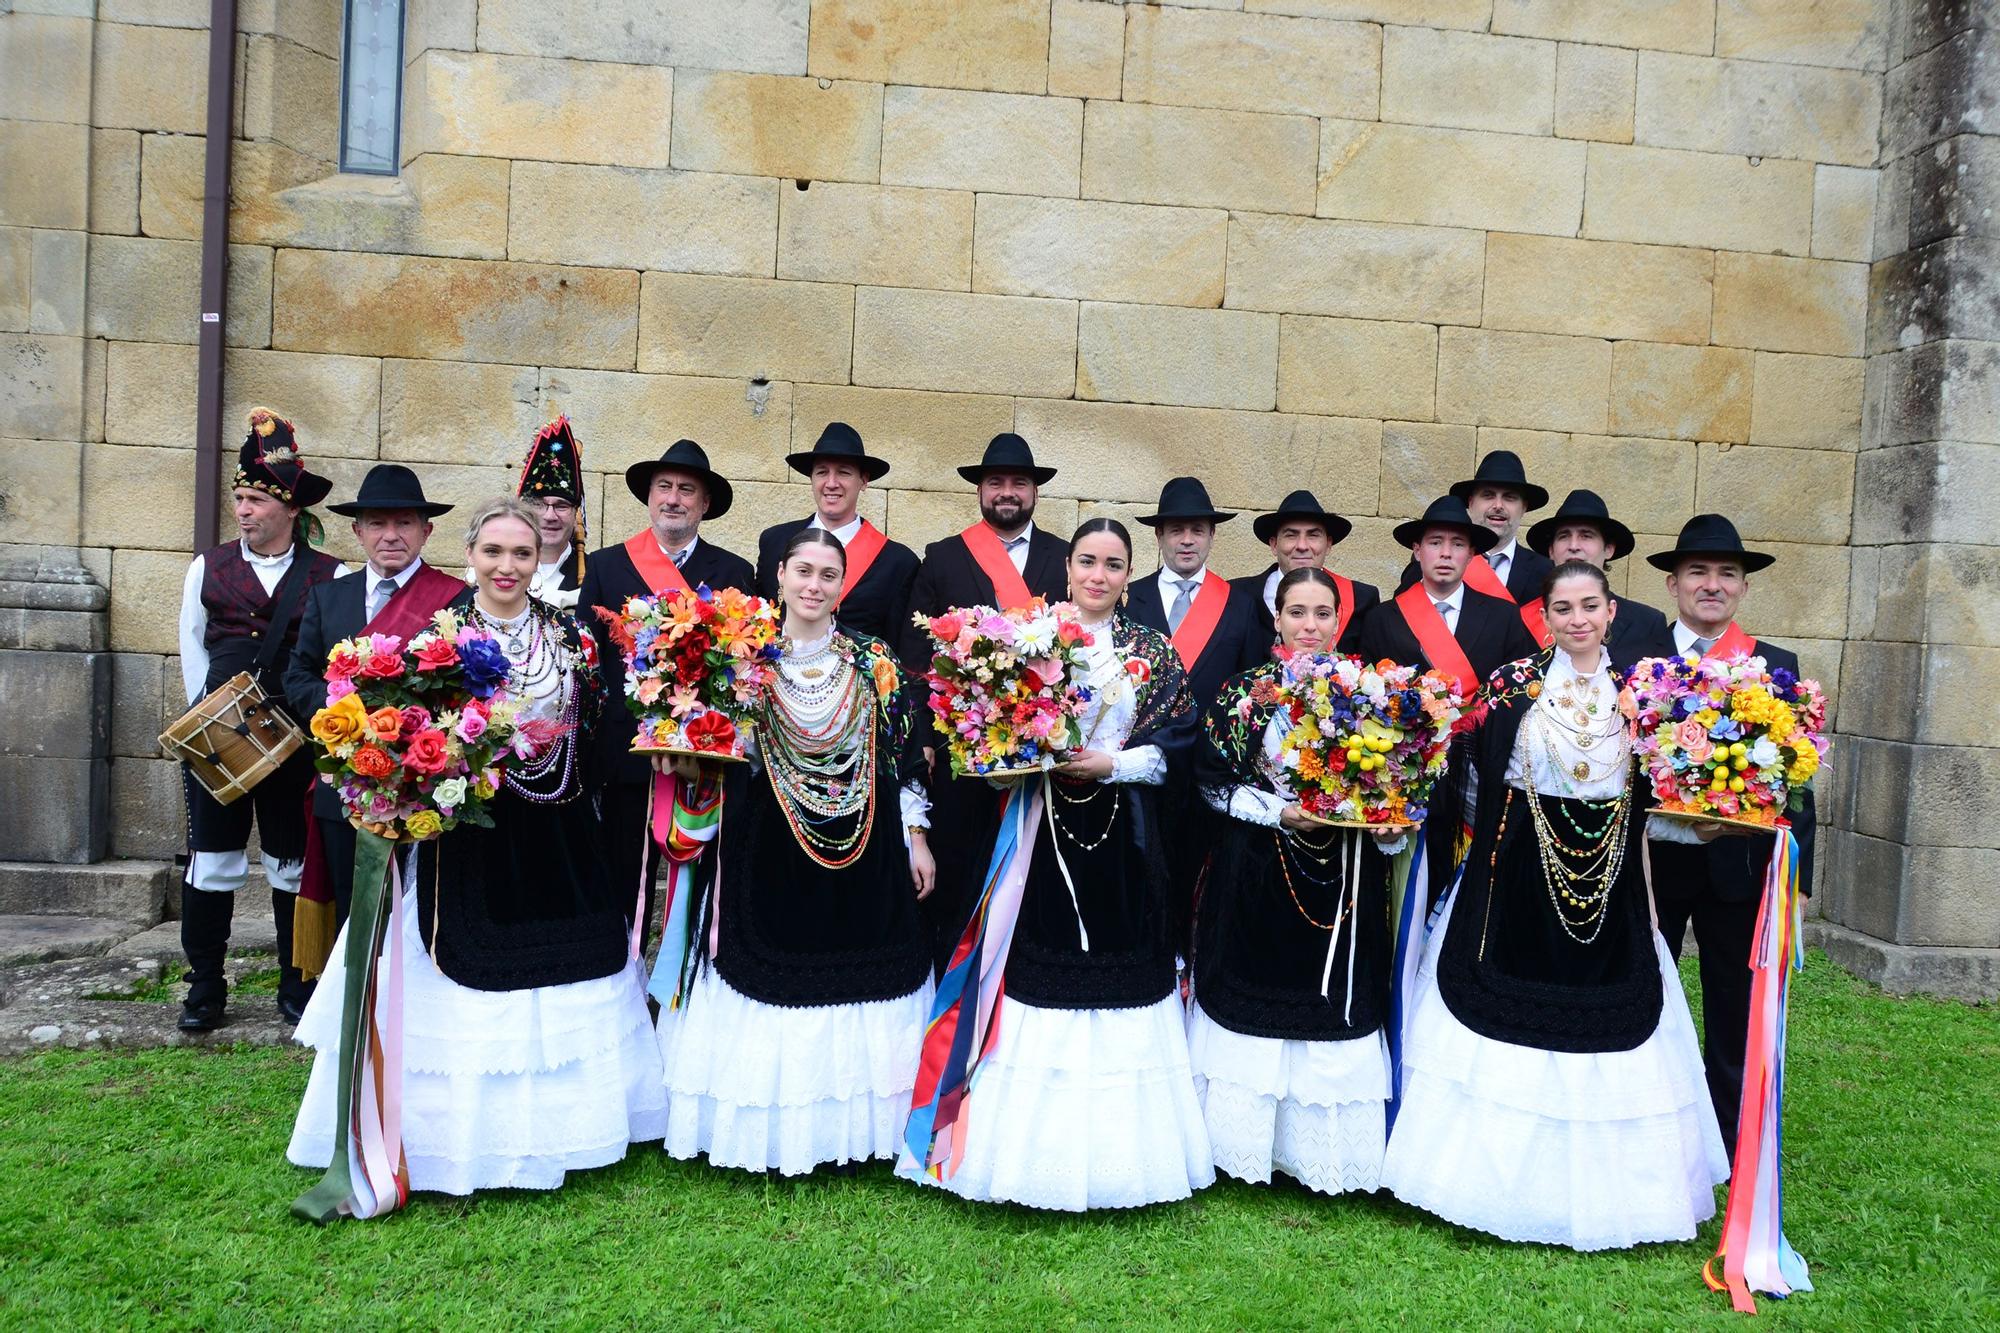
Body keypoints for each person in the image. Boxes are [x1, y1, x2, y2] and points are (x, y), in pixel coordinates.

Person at [288, 497, 666, 1198]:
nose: (507, 565)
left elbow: (596, 724)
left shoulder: (573, 633)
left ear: (539, 558)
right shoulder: (439, 636)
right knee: (466, 965)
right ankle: (457, 1138)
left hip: (560, 828)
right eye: (493, 551)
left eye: (521, 553)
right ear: (471, 554)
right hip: (471, 836)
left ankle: (565, 1130)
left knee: (571, 960)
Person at [1381, 561, 1730, 1250]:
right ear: (1545, 617)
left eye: (1589, 606)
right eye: (1562, 607)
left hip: (1610, 881)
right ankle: (1479, 1181)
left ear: (1610, 613)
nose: (1576, 618)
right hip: (1513, 876)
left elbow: (1653, 800)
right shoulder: (1513, 685)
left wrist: (1703, 823)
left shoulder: (1645, 694)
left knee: (1615, 1017)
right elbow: (1478, 778)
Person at [900, 518, 1213, 1210]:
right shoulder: (1025, 638)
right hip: (1036, 832)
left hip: (1123, 834)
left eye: (1113, 564)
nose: (1098, 575)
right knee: (1034, 966)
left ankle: (1125, 1155)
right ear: (1066, 568)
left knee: (1121, 966)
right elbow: (979, 733)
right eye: (1087, 562)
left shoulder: (1150, 652)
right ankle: (1017, 1146)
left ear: (1128, 576)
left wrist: (1114, 762)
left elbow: (1177, 740)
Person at [655, 528, 935, 1177]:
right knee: (765, 964)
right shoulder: (742, 652)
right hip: (767, 841)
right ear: (779, 575)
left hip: (863, 845)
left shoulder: (873, 658)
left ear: (842, 585)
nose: (814, 584)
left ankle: (866, 1124)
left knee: (867, 960)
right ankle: (771, 1123)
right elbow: (709, 738)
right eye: (802, 570)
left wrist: (915, 835)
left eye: (827, 573)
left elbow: (896, 752)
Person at [1189, 568, 1399, 1196]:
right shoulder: (1245, 694)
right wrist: (1277, 811)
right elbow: (1210, 780)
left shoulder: (1372, 692)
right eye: (1297, 612)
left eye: (1322, 613)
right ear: (1276, 620)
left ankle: (1319, 1153)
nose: (1310, 626)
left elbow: (1396, 788)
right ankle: (1241, 1143)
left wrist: (1386, 825)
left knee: (1333, 995)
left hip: (1346, 877)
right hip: (1258, 870)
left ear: (1340, 621)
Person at [1643, 514, 1816, 1149]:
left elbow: (1798, 776)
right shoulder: (1640, 655)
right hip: (1651, 862)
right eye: (1698, 573)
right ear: (1672, 583)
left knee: (1734, 1002)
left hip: (1738, 869)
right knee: (1645, 989)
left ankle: (1729, 1135)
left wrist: (1800, 875)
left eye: (1727, 574)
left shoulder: (1776, 665)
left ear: (1743, 587)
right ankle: (1649, 1122)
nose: (1711, 585)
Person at [174, 409, 344, 1031]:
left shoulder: (331, 576)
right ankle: (204, 987)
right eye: (239, 499)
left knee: (291, 865)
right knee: (212, 862)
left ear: (290, 510)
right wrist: (211, 722)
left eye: (255, 500)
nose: (243, 511)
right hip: (217, 740)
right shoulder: (208, 568)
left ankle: (296, 982)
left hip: (295, 742)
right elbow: (193, 646)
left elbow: (333, 660)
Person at [576, 439, 755, 949]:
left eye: (686, 491)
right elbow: (591, 663)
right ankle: (617, 987)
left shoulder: (734, 573)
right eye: (664, 488)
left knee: (702, 887)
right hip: (626, 757)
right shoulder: (608, 567)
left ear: (704, 505)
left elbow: (745, 665)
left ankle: (691, 988)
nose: (673, 498)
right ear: (649, 497)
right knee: (619, 885)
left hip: (707, 755)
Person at [901, 432, 1069, 970]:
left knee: (1033, 874)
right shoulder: (944, 556)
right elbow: (915, 661)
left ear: (1035, 491)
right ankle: (952, 976)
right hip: (962, 753)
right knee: (960, 868)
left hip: (1044, 756)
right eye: (995, 482)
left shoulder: (1066, 558)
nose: (1007, 492)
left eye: (1019, 482)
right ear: (979, 490)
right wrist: (923, 740)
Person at [285, 464, 464, 931]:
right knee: (354, 915)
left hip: (425, 788)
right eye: (378, 524)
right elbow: (299, 675)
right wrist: (349, 717)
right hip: (347, 781)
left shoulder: (455, 601)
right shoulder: (328, 597)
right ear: (357, 531)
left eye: (404, 523)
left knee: (424, 916)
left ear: (426, 532)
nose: (391, 535)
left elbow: (465, 689)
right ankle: (358, 1003)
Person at [1358, 495, 1540, 881]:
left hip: (1479, 771)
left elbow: (1522, 695)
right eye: (1435, 542)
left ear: (1472, 553)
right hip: (1407, 773)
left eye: (1458, 544)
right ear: (1417, 550)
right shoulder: (1382, 619)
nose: (1446, 553)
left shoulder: (1504, 617)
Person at [753, 422, 918, 644]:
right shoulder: (775, 541)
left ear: (864, 480)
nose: (831, 483)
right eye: (822, 472)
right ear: (812, 478)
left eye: (844, 472)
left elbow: (898, 646)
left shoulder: (898, 562)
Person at [1124, 477, 1267, 707]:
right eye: (1177, 531)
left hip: (1212, 740)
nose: (1187, 541)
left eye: (1197, 531)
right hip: (1144, 739)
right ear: (1159, 535)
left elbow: (1250, 688)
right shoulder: (1130, 597)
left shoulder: (1240, 604)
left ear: (1212, 535)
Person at [1523, 489, 1674, 672]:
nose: (1574, 546)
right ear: (1551, 551)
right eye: (1564, 537)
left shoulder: (1646, 623)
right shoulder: (1520, 620)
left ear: (1608, 549)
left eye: (1586, 536)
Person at [1231, 490, 1378, 656]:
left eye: (1313, 535)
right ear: (1274, 544)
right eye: (1291, 535)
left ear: (1328, 544)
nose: (1302, 546)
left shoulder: (1362, 599)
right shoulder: (1237, 594)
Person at [514, 415, 588, 610]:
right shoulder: (499, 569)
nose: (549, 516)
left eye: (561, 506)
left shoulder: (597, 576)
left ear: (576, 514)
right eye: (540, 505)